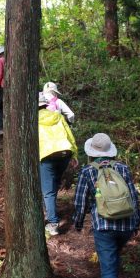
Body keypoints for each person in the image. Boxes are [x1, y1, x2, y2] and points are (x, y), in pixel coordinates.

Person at [73, 133, 140, 278]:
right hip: (127, 224)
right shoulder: (123, 168)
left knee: (108, 270)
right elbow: (133, 197)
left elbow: (79, 201)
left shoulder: (87, 171)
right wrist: (137, 222)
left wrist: (78, 223)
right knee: (114, 255)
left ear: (91, 152)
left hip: (103, 225)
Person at [39, 93, 78, 236]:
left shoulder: (32, 119)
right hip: (64, 154)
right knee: (53, 185)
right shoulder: (58, 116)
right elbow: (69, 136)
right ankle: (49, 210)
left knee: (48, 190)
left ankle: (53, 223)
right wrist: (74, 154)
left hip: (47, 155)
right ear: (45, 104)